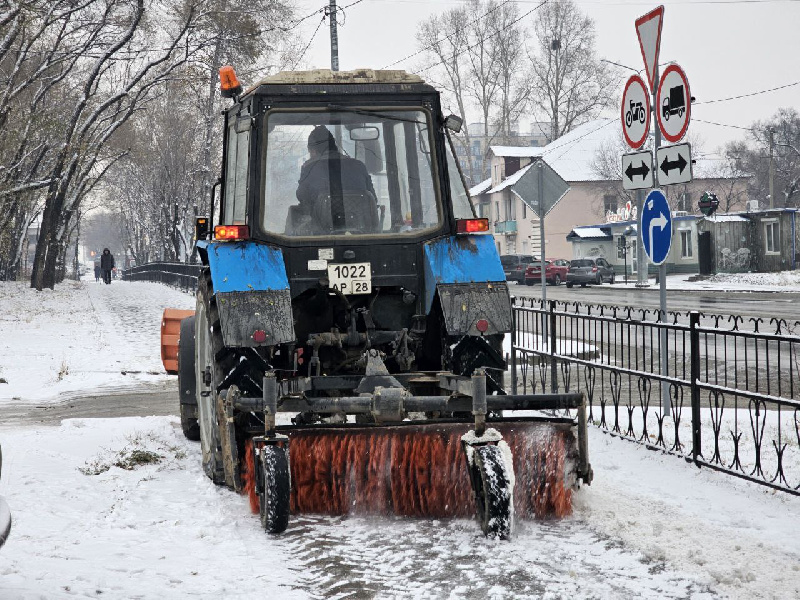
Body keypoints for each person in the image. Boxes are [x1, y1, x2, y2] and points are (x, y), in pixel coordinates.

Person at [296, 126, 376, 216]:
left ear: (313, 151)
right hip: (363, 226)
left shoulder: (309, 168)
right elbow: (373, 199)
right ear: (334, 146)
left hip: (321, 228)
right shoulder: (359, 166)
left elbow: (302, 197)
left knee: (294, 212)